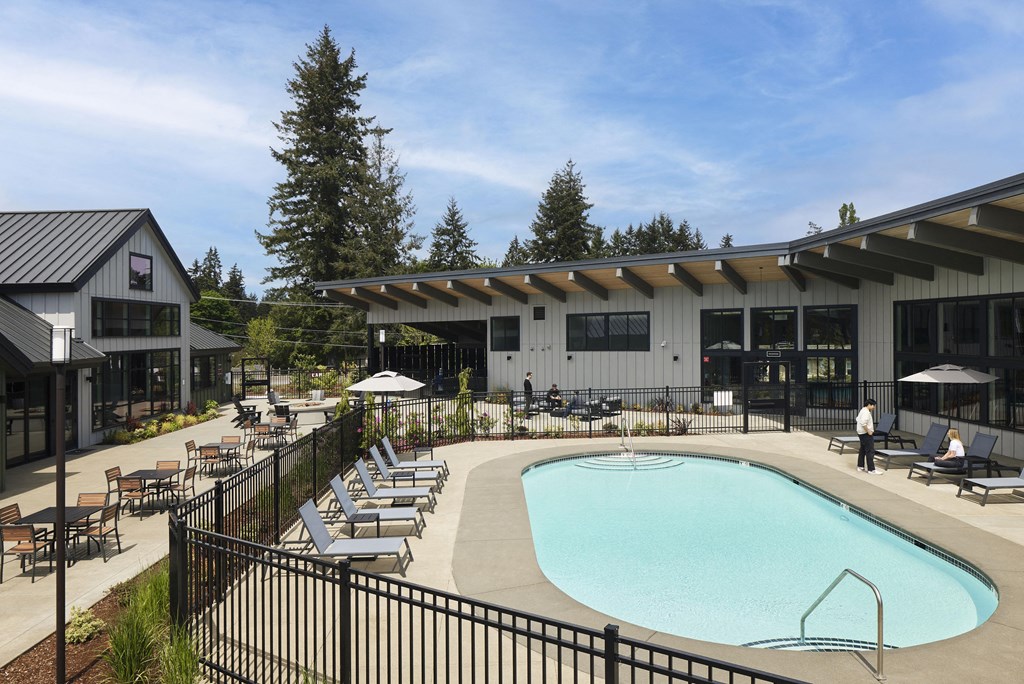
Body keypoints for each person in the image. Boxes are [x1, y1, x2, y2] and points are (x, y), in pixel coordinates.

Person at [856, 398, 882, 475]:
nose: (874, 407)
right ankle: (871, 469)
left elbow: (858, 419)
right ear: (869, 405)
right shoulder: (866, 412)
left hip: (861, 433)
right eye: (873, 405)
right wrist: (869, 431)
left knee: (863, 450)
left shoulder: (862, 410)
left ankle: (860, 466)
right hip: (866, 434)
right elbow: (863, 423)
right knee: (870, 451)